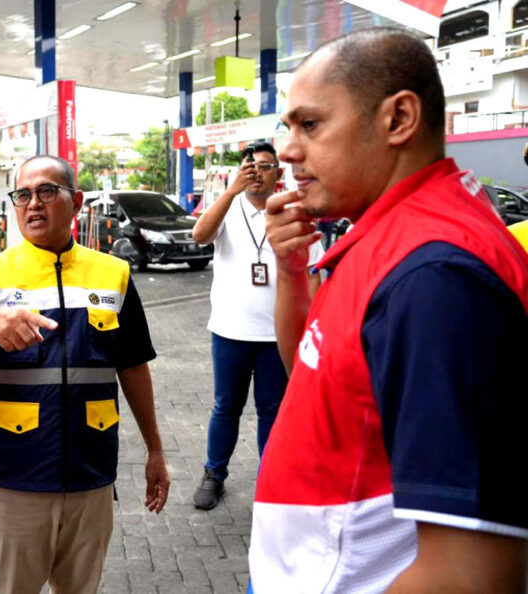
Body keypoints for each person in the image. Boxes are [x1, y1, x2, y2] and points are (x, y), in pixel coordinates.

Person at [254, 28, 528, 592]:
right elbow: (317, 382)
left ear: (399, 119)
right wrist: (290, 274)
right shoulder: (386, 237)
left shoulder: (434, 278)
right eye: (288, 128)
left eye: (309, 124)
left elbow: (469, 575)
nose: (286, 150)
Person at [0, 155, 171, 594]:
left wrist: (155, 449)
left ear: (76, 201)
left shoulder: (114, 274)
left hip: (92, 474)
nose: (33, 204)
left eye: (47, 191)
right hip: (17, 476)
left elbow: (133, 364)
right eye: (23, 195)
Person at [188, 142, 323, 511]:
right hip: (230, 331)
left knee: (272, 411)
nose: (257, 172)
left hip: (277, 337)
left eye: (265, 166)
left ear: (278, 173)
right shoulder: (226, 208)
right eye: (250, 165)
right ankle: (214, 474)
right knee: (225, 407)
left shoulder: (294, 213)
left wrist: (309, 329)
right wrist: (230, 191)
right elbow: (200, 236)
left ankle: (272, 478)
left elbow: (313, 276)